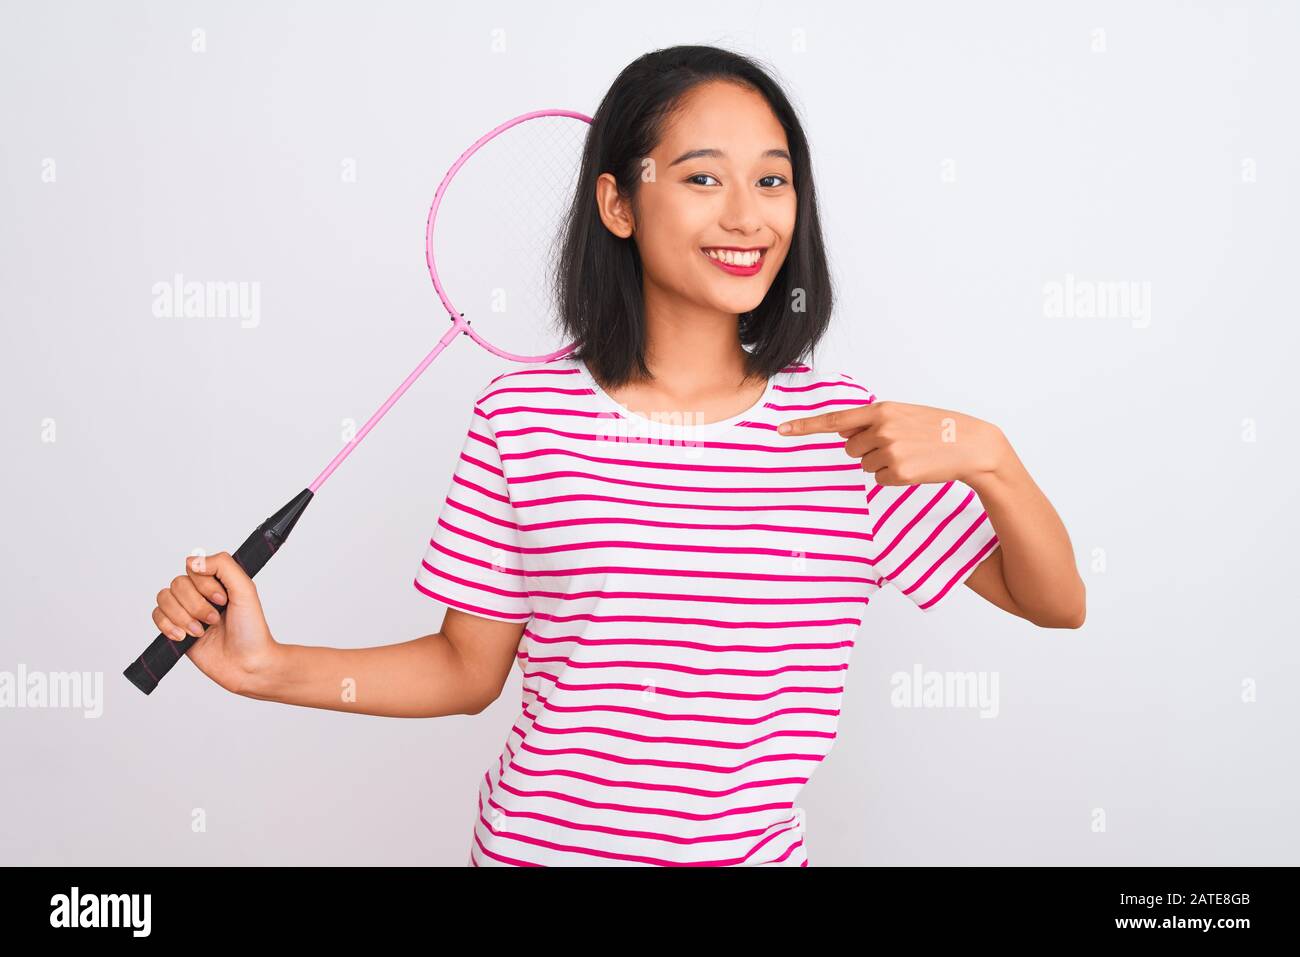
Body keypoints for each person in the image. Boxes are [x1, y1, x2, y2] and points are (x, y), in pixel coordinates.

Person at [149, 45, 1084, 867]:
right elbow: (467, 671)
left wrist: (988, 454)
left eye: (773, 179)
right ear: (619, 202)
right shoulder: (523, 417)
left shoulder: (847, 431)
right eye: (703, 178)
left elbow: (1054, 602)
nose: (748, 216)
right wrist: (268, 667)